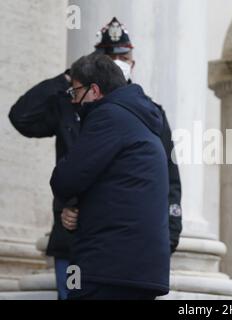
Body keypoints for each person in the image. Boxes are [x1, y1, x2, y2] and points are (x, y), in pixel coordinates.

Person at [8, 17, 182, 300]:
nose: (118, 62)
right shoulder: (74, 101)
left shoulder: (148, 113)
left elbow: (169, 178)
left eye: (123, 57)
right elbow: (22, 117)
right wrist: (72, 77)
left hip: (105, 249)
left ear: (132, 63)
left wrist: (170, 236)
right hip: (74, 238)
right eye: (109, 58)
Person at [51, 53, 170, 300]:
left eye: (75, 92)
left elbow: (66, 178)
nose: (73, 101)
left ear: (94, 90)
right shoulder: (141, 117)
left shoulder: (108, 116)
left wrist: (70, 202)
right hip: (141, 270)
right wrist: (76, 206)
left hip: (107, 266)